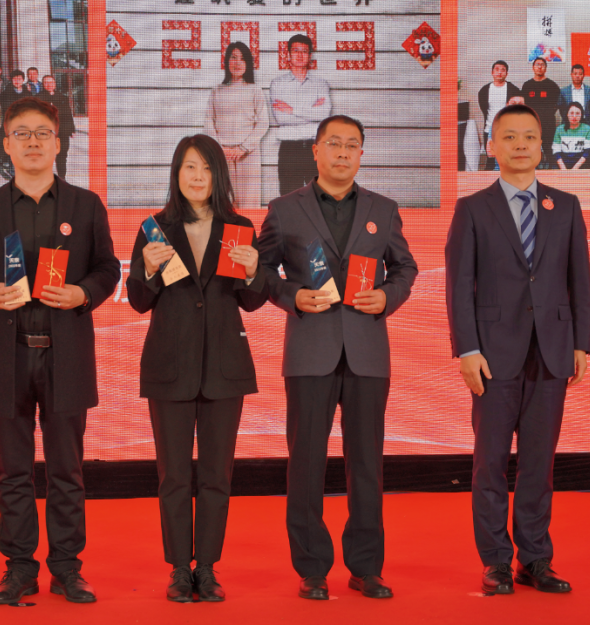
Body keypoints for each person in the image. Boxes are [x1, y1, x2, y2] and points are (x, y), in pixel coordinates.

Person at [0, 97, 120, 605]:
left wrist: (82, 293)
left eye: (42, 133)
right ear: (6, 144)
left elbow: (108, 268)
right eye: (21, 133)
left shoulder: (86, 205)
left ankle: (67, 567)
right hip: (8, 354)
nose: (33, 142)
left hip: (66, 353)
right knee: (13, 472)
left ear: (58, 142)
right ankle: (19, 567)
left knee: (67, 470)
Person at [257, 115, 417, 601]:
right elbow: (261, 271)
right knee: (305, 462)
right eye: (334, 144)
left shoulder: (383, 209)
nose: (343, 153)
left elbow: (405, 268)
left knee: (366, 463)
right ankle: (311, 567)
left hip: (367, 351)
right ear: (316, 150)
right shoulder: (284, 209)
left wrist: (387, 297)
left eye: (352, 145)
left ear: (361, 153)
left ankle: (366, 567)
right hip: (310, 350)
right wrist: (291, 296)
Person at [445, 102, 590, 597]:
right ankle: (495, 562)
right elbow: (458, 286)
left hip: (551, 351)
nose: (520, 145)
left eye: (529, 136)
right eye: (509, 137)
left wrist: (581, 343)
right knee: (489, 463)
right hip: (492, 354)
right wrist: (467, 349)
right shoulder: (472, 208)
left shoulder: (565, 206)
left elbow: (579, 280)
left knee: (538, 463)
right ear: (492, 147)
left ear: (543, 145)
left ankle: (535, 558)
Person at [127, 135, 269, 603]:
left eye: (206, 168)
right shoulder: (155, 229)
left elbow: (251, 301)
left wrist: (254, 271)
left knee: (216, 475)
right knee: (173, 476)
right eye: (190, 167)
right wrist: (148, 270)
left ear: (218, 175)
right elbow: (138, 301)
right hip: (169, 366)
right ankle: (177, 569)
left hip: (225, 369)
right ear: (176, 173)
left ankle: (206, 567)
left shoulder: (239, 227)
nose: (197, 177)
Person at [204, 41, 268, 209]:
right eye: (233, 57)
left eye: (242, 59)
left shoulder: (255, 90)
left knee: (249, 204)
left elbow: (263, 123)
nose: (237, 62)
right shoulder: (217, 91)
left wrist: (243, 148)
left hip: (248, 154)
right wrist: (219, 148)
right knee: (224, 203)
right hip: (222, 154)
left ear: (248, 64)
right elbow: (209, 121)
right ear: (227, 61)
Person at [269, 34, 330, 195]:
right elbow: (281, 118)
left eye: (304, 51)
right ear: (288, 54)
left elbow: (324, 114)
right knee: (289, 197)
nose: (300, 55)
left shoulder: (320, 84)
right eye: (296, 51)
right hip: (290, 148)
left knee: (319, 196)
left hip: (315, 147)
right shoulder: (277, 84)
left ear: (310, 55)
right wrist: (311, 110)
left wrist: (292, 109)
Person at [478, 61, 522, 171]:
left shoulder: (513, 89)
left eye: (503, 70)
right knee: (491, 159)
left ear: (507, 73)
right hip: (489, 129)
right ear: (492, 72)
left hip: (508, 130)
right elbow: (484, 108)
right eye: (497, 69)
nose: (499, 72)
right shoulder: (484, 90)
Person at [521, 58, 559, 167]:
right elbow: (524, 105)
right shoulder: (527, 85)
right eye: (537, 64)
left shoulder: (552, 86)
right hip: (531, 125)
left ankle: (552, 171)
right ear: (533, 67)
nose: (539, 67)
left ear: (545, 68)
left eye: (542, 65)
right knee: (531, 149)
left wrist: (546, 115)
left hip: (548, 124)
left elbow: (556, 105)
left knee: (549, 150)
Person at [0, 70, 32, 180]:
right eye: (15, 79)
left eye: (19, 79)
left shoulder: (28, 93)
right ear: (11, 80)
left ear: (23, 80)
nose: (17, 81)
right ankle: (13, 172)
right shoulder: (5, 94)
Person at [40, 75, 75, 180]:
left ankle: (61, 177)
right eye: (46, 83)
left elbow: (68, 114)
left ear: (55, 84)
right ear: (43, 84)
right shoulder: (38, 98)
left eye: (51, 82)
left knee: (62, 155)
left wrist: (71, 129)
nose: (49, 85)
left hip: (62, 131)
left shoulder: (62, 97)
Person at [551, 102, 590, 170]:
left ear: (581, 115)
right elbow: (556, 151)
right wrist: (564, 169)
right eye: (571, 113)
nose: (574, 116)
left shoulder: (587, 129)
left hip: (581, 164)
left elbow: (587, 152)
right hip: (563, 163)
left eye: (577, 113)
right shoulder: (559, 129)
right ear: (567, 114)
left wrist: (574, 169)